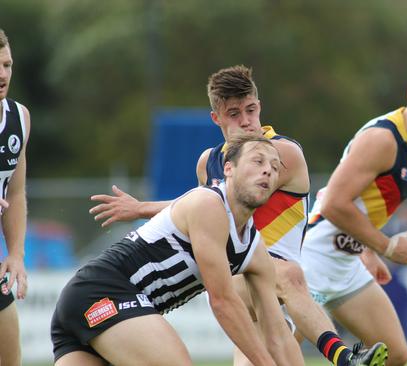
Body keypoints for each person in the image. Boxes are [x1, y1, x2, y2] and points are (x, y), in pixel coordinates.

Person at [88, 65, 386, 366]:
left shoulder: (279, 153)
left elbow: (225, 196)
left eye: (251, 110)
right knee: (284, 274)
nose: (246, 121)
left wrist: (143, 208)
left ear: (260, 107)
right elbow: (198, 205)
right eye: (234, 113)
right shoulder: (210, 161)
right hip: (240, 276)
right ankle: (345, 358)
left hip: (279, 292)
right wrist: (141, 208)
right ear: (216, 118)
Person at [51, 135, 303, 365]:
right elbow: (223, 302)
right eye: (257, 161)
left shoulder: (255, 250)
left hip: (89, 309)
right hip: (101, 294)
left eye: (274, 167)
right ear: (228, 169)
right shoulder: (208, 204)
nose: (267, 170)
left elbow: (278, 335)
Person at [301, 59, 407, 366]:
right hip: (313, 260)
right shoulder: (384, 139)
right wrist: (384, 246)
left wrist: (366, 252)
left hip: (346, 264)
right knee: (272, 356)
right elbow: (333, 202)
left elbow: (366, 201)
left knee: (395, 353)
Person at [0, 29, 30, 366]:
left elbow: (16, 191)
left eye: (7, 64)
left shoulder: (19, 118)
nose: (2, 74)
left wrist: (16, 254)